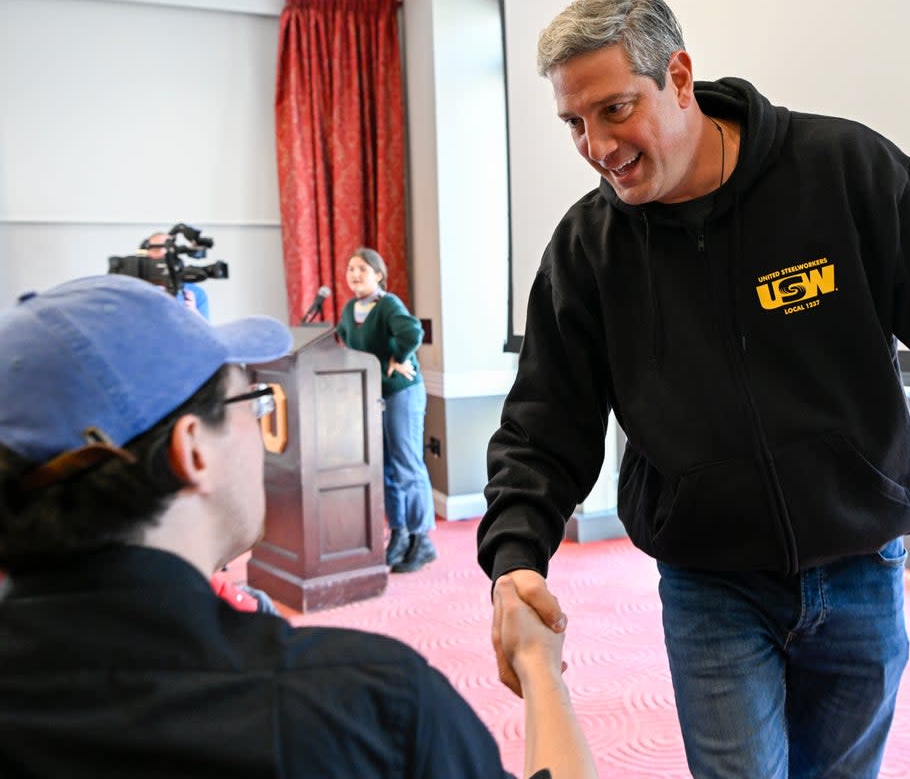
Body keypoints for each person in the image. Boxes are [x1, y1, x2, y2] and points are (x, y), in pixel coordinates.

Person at [476, 0, 910, 778]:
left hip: (861, 569)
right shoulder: (587, 247)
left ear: (679, 75)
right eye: (575, 123)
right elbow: (543, 425)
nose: (598, 146)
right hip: (711, 588)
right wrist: (516, 556)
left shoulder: (842, 172)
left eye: (616, 109)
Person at [0, 274, 598, 779]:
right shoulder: (368, 705)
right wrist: (541, 672)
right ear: (193, 451)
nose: (263, 430)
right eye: (253, 402)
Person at [337, 247, 437, 573]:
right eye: (351, 269)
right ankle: (400, 534)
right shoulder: (351, 308)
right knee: (386, 471)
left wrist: (400, 359)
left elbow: (412, 332)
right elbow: (339, 341)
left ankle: (422, 540)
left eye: (362, 269)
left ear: (378, 275)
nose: (354, 274)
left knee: (407, 464)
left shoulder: (388, 303)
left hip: (401, 393)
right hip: (370, 395)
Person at [141, 230, 212, 320]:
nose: (163, 253)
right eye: (156, 249)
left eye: (168, 249)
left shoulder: (195, 293)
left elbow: (207, 332)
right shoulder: (132, 288)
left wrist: (194, 314)